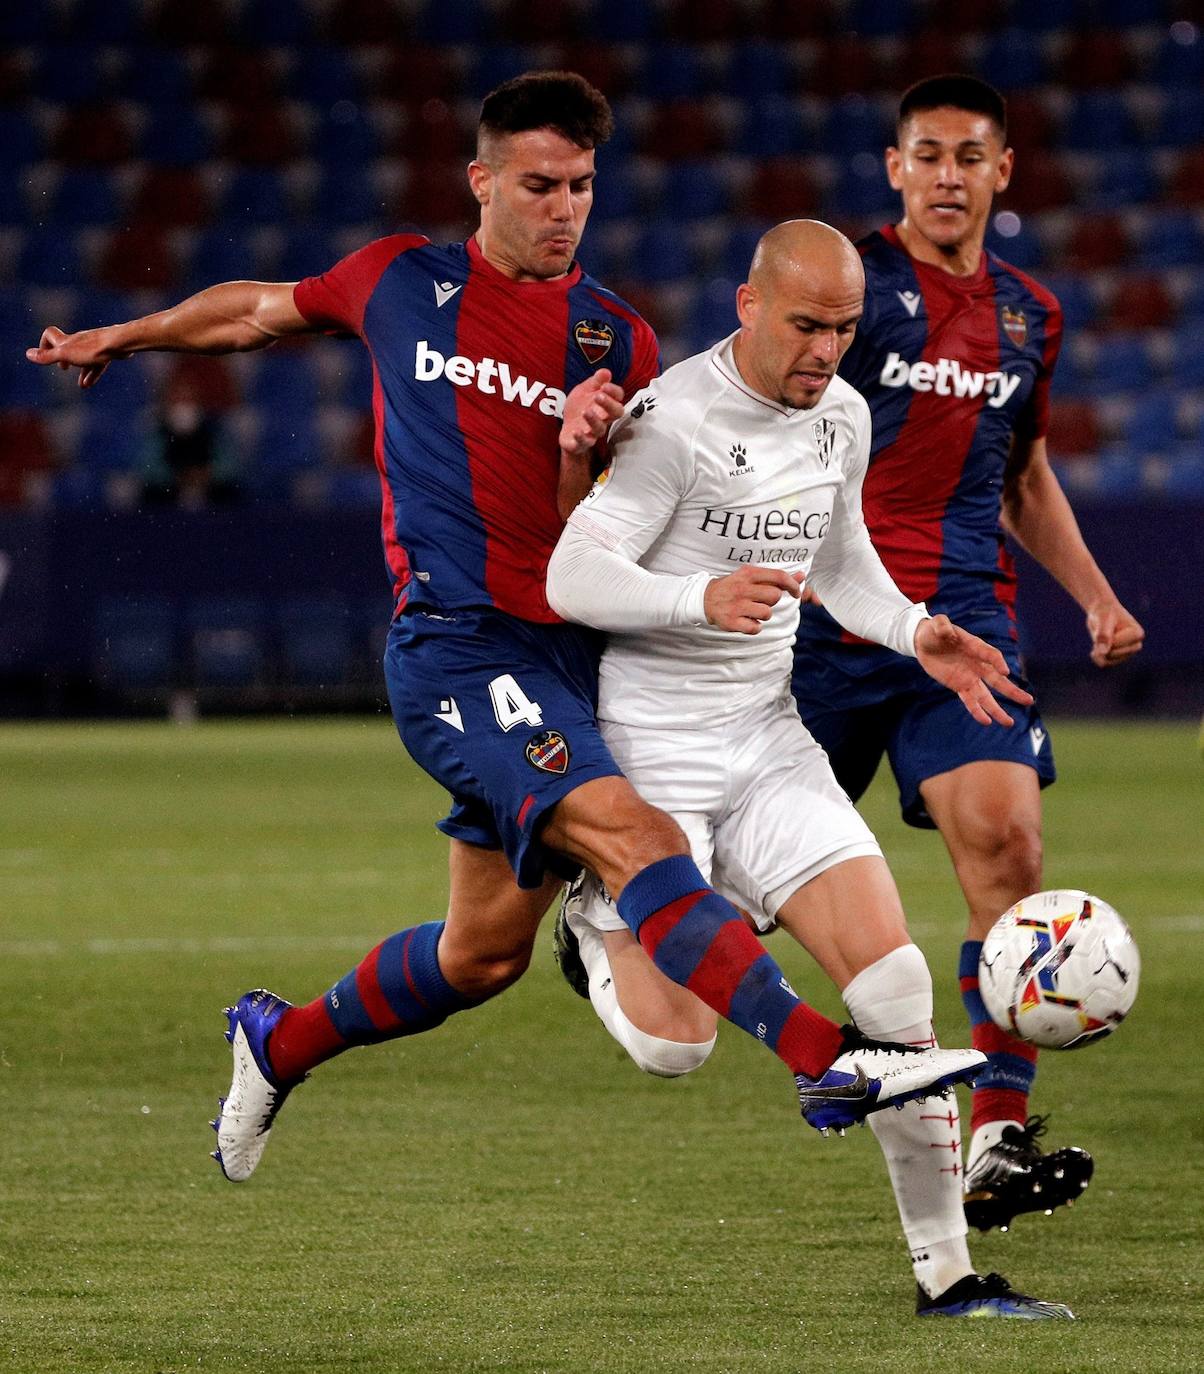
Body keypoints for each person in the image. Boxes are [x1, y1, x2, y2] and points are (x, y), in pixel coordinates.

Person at [26, 72, 979, 1191]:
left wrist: (583, 449)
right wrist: (126, 335)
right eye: (537, 184)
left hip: (573, 660)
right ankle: (829, 1062)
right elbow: (254, 309)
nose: (562, 207)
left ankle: (275, 1043)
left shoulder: (616, 340)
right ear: (481, 182)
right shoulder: (396, 281)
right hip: (460, 646)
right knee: (638, 840)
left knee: (477, 957)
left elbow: (609, 542)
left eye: (579, 185)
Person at [546, 218, 1073, 1319]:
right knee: (670, 1047)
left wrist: (916, 630)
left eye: (842, 327)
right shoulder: (675, 421)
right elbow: (570, 576)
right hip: (658, 761)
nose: (826, 349)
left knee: (895, 989)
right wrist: (697, 597)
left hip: (769, 743)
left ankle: (950, 1277)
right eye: (804, 325)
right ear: (748, 306)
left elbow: (843, 564)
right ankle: (596, 917)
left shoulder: (840, 416)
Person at [788, 75, 1145, 1234]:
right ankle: (617, 910)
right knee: (733, 882)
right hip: (827, 623)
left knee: (1007, 842)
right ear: (894, 169)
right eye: (926, 154)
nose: (948, 175)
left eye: (969, 156)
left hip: (967, 629)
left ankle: (995, 1135)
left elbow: (1023, 474)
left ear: (1003, 173)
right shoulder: (843, 289)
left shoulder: (1030, 313)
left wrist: (1090, 593)